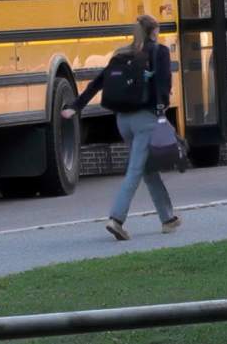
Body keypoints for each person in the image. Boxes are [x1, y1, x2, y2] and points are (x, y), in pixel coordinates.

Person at [63, 15, 181, 241]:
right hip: (145, 120)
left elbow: (98, 82)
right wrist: (161, 109)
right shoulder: (159, 52)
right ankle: (116, 220)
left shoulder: (121, 54)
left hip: (122, 121)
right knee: (136, 171)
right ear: (154, 32)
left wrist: (76, 106)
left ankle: (167, 219)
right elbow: (164, 85)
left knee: (148, 169)